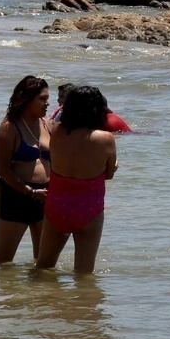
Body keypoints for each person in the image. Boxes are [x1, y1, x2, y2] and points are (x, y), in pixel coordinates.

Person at [36, 85, 118, 275]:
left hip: (56, 205)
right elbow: (109, 174)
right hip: (89, 209)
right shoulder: (105, 139)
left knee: (43, 266)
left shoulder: (55, 131)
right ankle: (81, 304)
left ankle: (38, 302)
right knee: (84, 273)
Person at [0, 75, 52, 263]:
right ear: (26, 99)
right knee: (3, 261)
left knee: (44, 262)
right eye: (42, 98)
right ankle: (2, 292)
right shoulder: (9, 128)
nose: (47, 103)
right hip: (16, 197)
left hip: (45, 196)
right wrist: (30, 192)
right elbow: (3, 170)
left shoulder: (48, 124)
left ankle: (38, 293)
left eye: (47, 98)